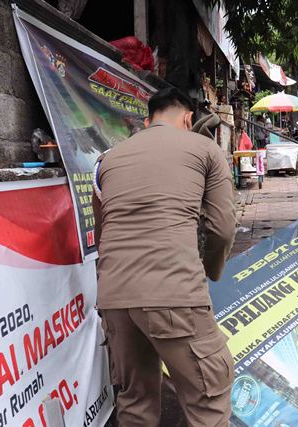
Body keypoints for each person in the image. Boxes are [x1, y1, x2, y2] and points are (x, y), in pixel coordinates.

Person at [92, 87, 236, 426]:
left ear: (148, 121)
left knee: (135, 402)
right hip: (174, 293)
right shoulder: (205, 148)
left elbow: (102, 233)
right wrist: (211, 272)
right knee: (208, 399)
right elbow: (222, 227)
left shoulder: (107, 159)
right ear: (188, 118)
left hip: (114, 298)